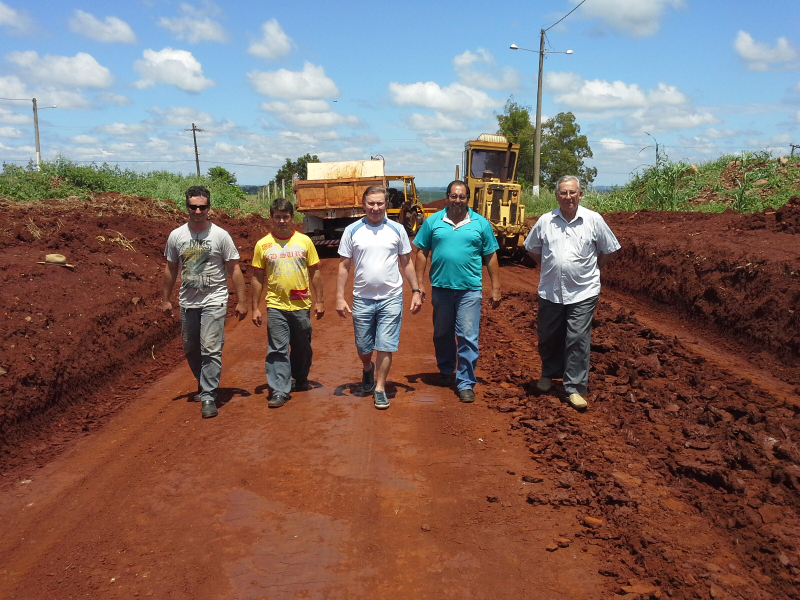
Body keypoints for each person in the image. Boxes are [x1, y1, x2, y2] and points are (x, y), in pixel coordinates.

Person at [523, 175, 620, 411]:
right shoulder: (546, 221)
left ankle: (574, 388)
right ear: (557, 196)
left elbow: (610, 249)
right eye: (563, 193)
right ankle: (549, 373)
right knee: (548, 336)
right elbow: (531, 248)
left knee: (577, 337)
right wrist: (549, 266)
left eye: (572, 193)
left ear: (580, 194)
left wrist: (594, 269)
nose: (568, 197)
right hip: (550, 290)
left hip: (583, 291)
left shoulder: (593, 220)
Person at [161, 185, 247, 419]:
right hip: (188, 302)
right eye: (193, 206)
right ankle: (203, 382)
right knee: (191, 348)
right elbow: (170, 268)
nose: (197, 211)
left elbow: (234, 268)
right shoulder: (176, 236)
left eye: (202, 207)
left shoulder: (220, 235)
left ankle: (208, 394)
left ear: (209, 208)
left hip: (215, 299)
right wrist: (165, 299)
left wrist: (241, 300)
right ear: (186, 207)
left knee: (210, 347)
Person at [413, 180, 501, 403]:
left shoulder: (481, 224)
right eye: (454, 196)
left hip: (470, 290)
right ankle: (445, 370)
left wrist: (496, 287)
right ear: (447, 197)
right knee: (442, 333)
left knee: (467, 337)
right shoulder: (433, 221)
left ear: (467, 199)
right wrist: (419, 284)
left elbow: (490, 256)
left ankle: (465, 382)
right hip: (441, 288)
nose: (457, 201)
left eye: (462, 197)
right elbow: (422, 252)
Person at [336, 185, 423, 410]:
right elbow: (344, 266)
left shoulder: (397, 229)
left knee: (386, 344)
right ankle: (367, 368)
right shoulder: (352, 230)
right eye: (371, 203)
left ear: (386, 205)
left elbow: (406, 262)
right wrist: (339, 297)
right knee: (364, 347)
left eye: (380, 203)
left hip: (391, 297)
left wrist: (415, 291)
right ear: (363, 204)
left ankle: (380, 388)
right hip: (362, 298)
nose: (375, 208)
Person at [251, 198, 325, 408]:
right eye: (277, 217)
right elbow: (257, 277)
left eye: (285, 217)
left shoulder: (304, 241)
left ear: (293, 217)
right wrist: (255, 307)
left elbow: (315, 272)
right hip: (276, 305)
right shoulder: (263, 245)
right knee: (277, 349)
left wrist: (320, 301)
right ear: (271, 218)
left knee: (302, 346)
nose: (282, 221)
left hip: (301, 305)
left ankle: (300, 377)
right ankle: (279, 390)